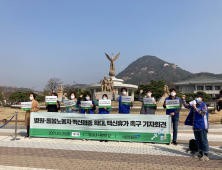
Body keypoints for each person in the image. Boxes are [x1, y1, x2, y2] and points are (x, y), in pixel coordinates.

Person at [183, 92, 209, 161]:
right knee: (198, 140)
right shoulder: (194, 104)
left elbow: (202, 114)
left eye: (198, 97)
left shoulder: (204, 105)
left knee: (204, 140)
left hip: (202, 126)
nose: (196, 98)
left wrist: (195, 108)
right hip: (195, 125)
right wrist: (183, 99)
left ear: (201, 98)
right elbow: (186, 106)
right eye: (196, 97)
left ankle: (206, 155)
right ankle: (200, 153)